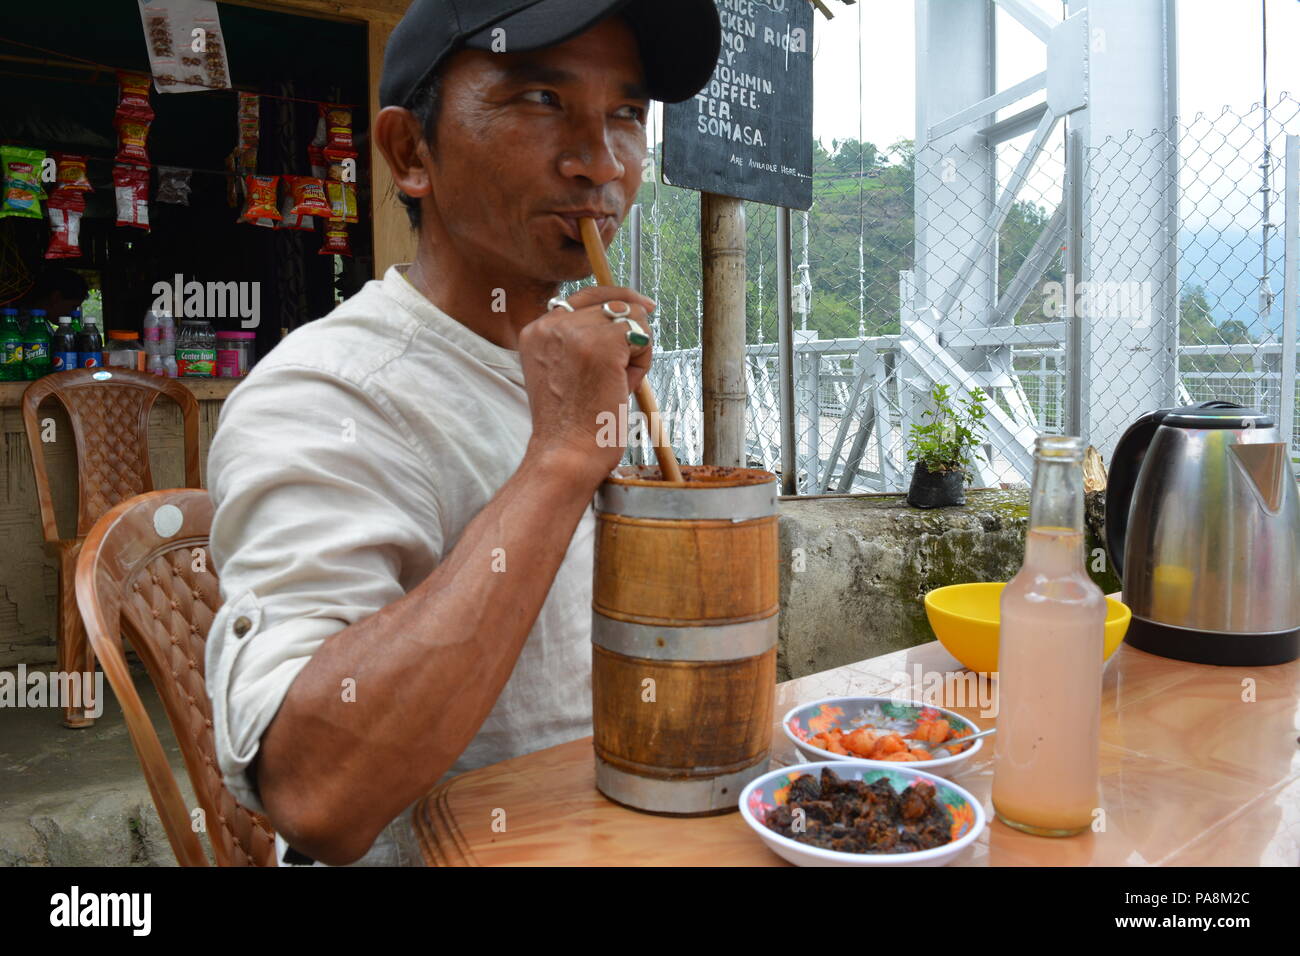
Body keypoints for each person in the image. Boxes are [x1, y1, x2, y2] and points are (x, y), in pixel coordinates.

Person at [204, 0, 721, 866]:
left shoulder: (574, 363)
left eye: (626, 115)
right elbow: (315, 791)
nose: (601, 163)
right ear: (412, 154)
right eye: (540, 100)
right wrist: (558, 462)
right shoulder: (329, 390)